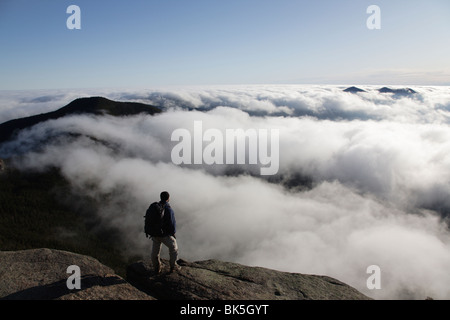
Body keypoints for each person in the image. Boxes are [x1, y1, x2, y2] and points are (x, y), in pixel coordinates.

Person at [150, 191, 181, 274]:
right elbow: (172, 222)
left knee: (155, 251)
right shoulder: (168, 208)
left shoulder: (155, 207)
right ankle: (173, 266)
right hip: (164, 234)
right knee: (173, 248)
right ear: (168, 198)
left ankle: (157, 267)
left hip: (154, 233)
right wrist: (173, 233)